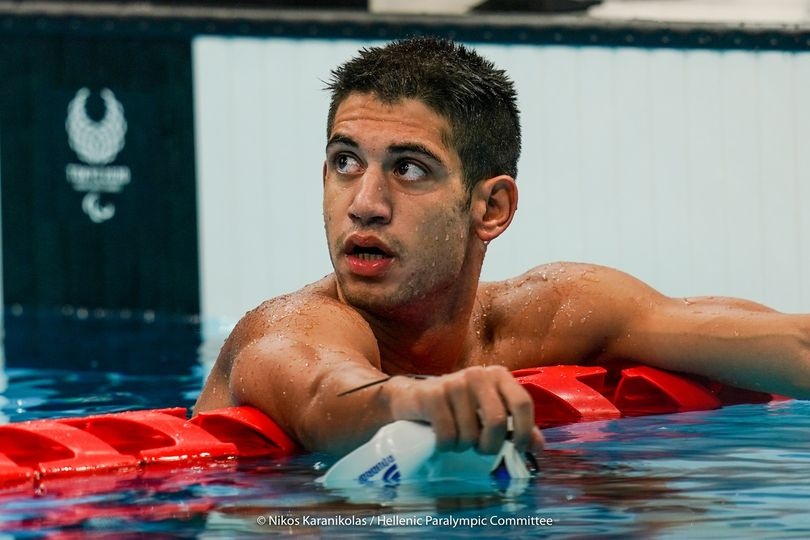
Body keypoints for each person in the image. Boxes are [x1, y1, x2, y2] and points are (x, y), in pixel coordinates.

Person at [194, 37, 810, 457]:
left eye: (408, 169)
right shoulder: (291, 327)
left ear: (491, 208)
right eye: (345, 162)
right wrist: (426, 399)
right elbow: (325, 397)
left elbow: (789, 342)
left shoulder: (554, 311)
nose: (365, 202)